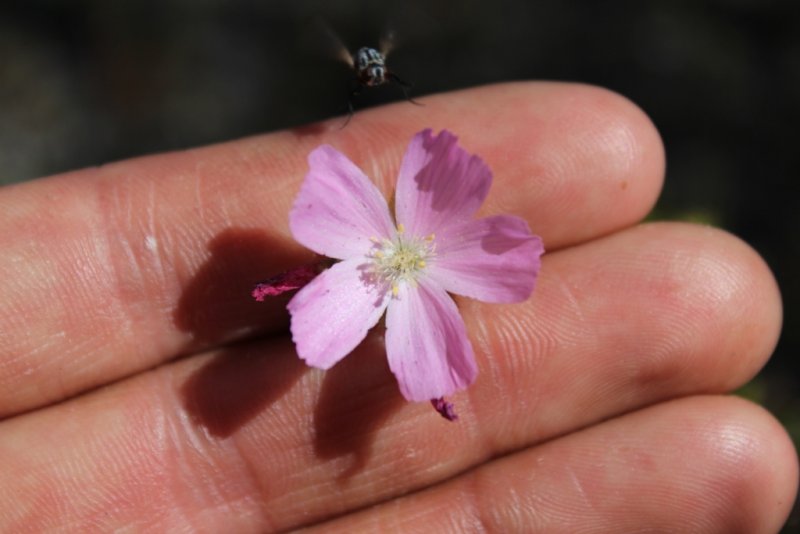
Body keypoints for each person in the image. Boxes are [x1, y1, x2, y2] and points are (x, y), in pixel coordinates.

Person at [0, 83, 795, 532]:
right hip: (366, 257)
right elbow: (376, 269)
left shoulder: (455, 243)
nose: (405, 260)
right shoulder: (378, 238)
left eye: (415, 256)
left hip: (401, 273)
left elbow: (443, 264)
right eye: (401, 254)